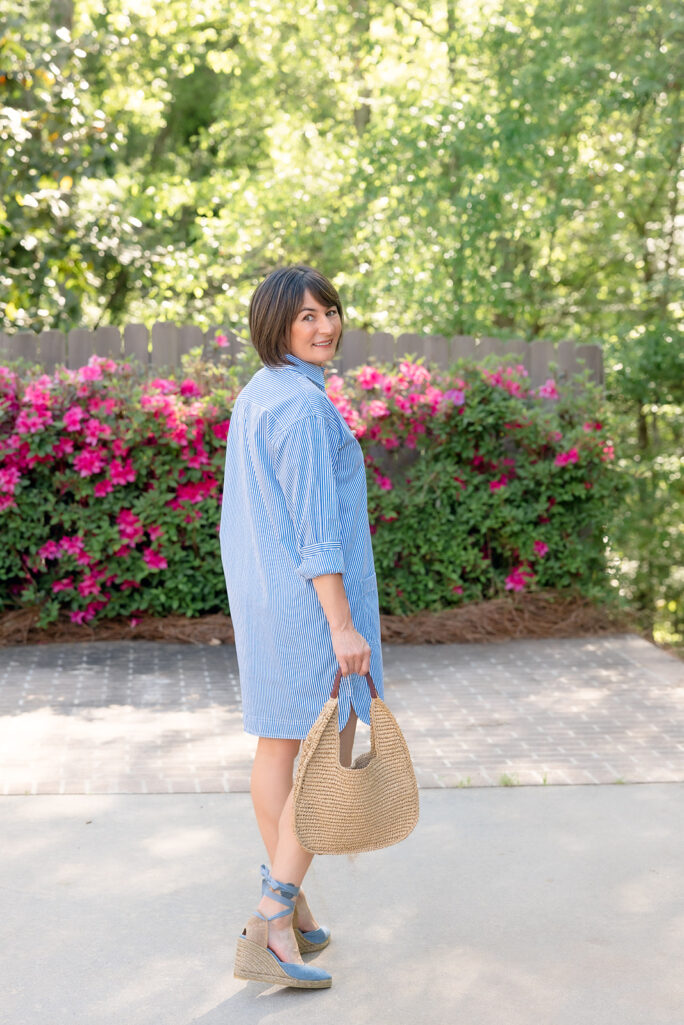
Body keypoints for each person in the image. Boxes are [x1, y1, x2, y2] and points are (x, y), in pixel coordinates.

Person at [219, 265, 384, 989]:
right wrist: (344, 626)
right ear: (276, 324)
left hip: (266, 602)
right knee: (333, 758)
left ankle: (298, 907)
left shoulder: (259, 395)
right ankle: (272, 918)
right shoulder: (303, 409)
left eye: (330, 313)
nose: (324, 327)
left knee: (279, 747)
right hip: (312, 612)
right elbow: (318, 532)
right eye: (307, 316)